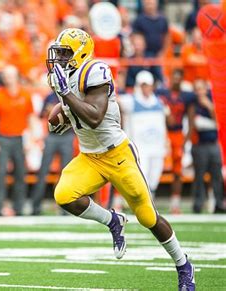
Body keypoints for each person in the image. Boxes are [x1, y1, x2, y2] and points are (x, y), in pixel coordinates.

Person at [46, 28, 195, 291]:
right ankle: (113, 221)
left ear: (80, 52)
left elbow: (95, 116)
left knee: (148, 217)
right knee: (64, 195)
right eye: (58, 53)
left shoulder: (95, 70)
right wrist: (60, 114)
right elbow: (70, 110)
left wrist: (66, 96)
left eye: (64, 53)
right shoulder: (64, 77)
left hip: (117, 155)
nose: (59, 59)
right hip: (90, 156)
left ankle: (184, 265)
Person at [0, 65, 36, 216]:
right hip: (3, 137)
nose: (8, 79)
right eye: (6, 76)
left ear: (17, 77)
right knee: (0, 174)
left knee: (20, 173)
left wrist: (32, 138)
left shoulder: (25, 94)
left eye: (11, 75)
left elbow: (31, 117)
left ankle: (19, 207)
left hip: (20, 138)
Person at [119, 70, 167, 198]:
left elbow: (164, 124)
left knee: (154, 177)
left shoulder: (159, 102)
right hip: (139, 148)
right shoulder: (130, 101)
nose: (146, 88)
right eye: (143, 85)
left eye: (148, 85)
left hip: (157, 146)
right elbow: (115, 100)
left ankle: (150, 203)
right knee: (142, 176)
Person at [156, 70, 195, 214]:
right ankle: (149, 199)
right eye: (174, 77)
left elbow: (190, 120)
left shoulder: (187, 97)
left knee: (177, 171)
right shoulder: (161, 94)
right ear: (170, 78)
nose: (176, 80)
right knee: (155, 167)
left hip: (178, 134)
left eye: (179, 78)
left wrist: (186, 140)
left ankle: (175, 203)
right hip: (162, 133)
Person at [30, 92, 74, 215]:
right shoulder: (50, 96)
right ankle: (36, 206)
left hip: (67, 135)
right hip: (52, 135)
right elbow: (42, 114)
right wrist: (51, 111)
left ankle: (65, 207)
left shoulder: (71, 94)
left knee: (66, 172)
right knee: (43, 171)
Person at [189, 80, 225, 214]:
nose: (199, 92)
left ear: (206, 89)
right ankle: (198, 204)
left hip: (213, 143)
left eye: (201, 89)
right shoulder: (193, 104)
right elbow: (194, 124)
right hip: (199, 145)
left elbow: (219, 122)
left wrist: (209, 106)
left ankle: (219, 203)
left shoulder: (212, 102)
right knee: (199, 176)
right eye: (197, 89)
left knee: (217, 175)